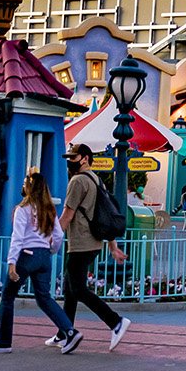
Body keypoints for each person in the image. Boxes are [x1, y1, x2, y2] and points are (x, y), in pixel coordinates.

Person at [0, 171, 81, 354]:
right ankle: (70, 331)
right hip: (44, 256)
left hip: (26, 256)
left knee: (7, 297)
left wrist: (12, 262)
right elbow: (59, 235)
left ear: (29, 187)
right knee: (44, 298)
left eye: (24, 183)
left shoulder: (23, 208)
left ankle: (4, 342)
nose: (22, 185)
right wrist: (51, 250)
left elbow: (17, 237)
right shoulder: (49, 209)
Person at [58, 145, 130, 351]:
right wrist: (112, 245)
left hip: (80, 242)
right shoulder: (96, 180)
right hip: (94, 243)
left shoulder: (78, 181)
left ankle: (115, 322)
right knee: (69, 289)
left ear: (85, 159)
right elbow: (104, 214)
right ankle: (64, 332)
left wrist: (50, 238)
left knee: (78, 289)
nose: (70, 160)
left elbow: (67, 215)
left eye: (74, 157)